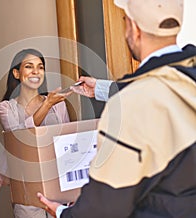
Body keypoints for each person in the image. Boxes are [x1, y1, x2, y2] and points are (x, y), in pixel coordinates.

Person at [37, 0, 196, 217]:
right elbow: (166, 86)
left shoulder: (131, 106)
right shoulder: (185, 79)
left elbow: (104, 208)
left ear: (134, 28)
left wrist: (63, 213)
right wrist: (104, 89)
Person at [0, 48, 72, 218]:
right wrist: (46, 105)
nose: (36, 71)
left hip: (59, 191)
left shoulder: (58, 105)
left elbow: (67, 143)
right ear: (16, 73)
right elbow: (19, 138)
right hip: (27, 193)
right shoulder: (6, 108)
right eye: (29, 66)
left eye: (41, 67)